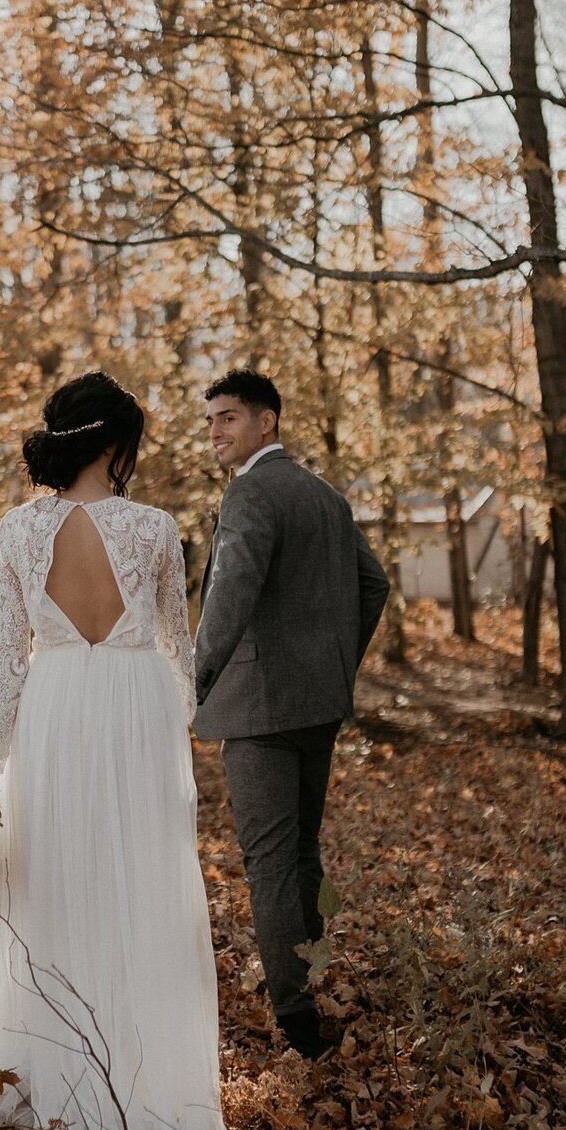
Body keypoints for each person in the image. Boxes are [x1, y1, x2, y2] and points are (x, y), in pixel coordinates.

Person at [0, 372, 229, 1130]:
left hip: (54, 710)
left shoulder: (17, 530)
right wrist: (164, 722)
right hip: (135, 715)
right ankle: (142, 1081)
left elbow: (6, 662)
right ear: (115, 443)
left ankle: (58, 1076)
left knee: (59, 886)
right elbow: (182, 656)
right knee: (140, 890)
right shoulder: (155, 529)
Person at [194, 369, 389, 1060]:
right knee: (301, 848)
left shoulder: (250, 492)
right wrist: (336, 663)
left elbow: (227, 598)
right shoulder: (325, 496)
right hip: (318, 703)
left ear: (267, 421)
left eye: (229, 418)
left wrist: (199, 680)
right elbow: (375, 583)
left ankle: (297, 1023)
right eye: (212, 420)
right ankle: (312, 981)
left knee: (272, 862)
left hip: (260, 708)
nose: (216, 431)